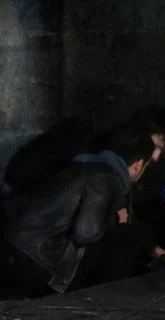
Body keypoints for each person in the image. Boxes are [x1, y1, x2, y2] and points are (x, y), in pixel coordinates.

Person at [2, 124, 156, 296]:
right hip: (36, 259)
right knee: (126, 237)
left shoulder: (83, 165)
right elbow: (86, 233)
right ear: (138, 165)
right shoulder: (106, 178)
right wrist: (115, 219)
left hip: (14, 245)